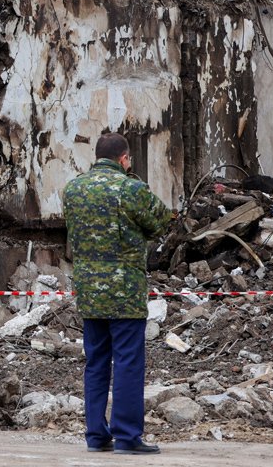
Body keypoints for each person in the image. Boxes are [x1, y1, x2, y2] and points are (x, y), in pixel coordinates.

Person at [62, 132, 170, 455]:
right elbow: (161, 220)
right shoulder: (130, 188)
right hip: (124, 292)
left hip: (90, 294)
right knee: (127, 362)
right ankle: (126, 436)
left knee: (96, 363)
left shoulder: (73, 190)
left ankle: (96, 434)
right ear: (124, 159)